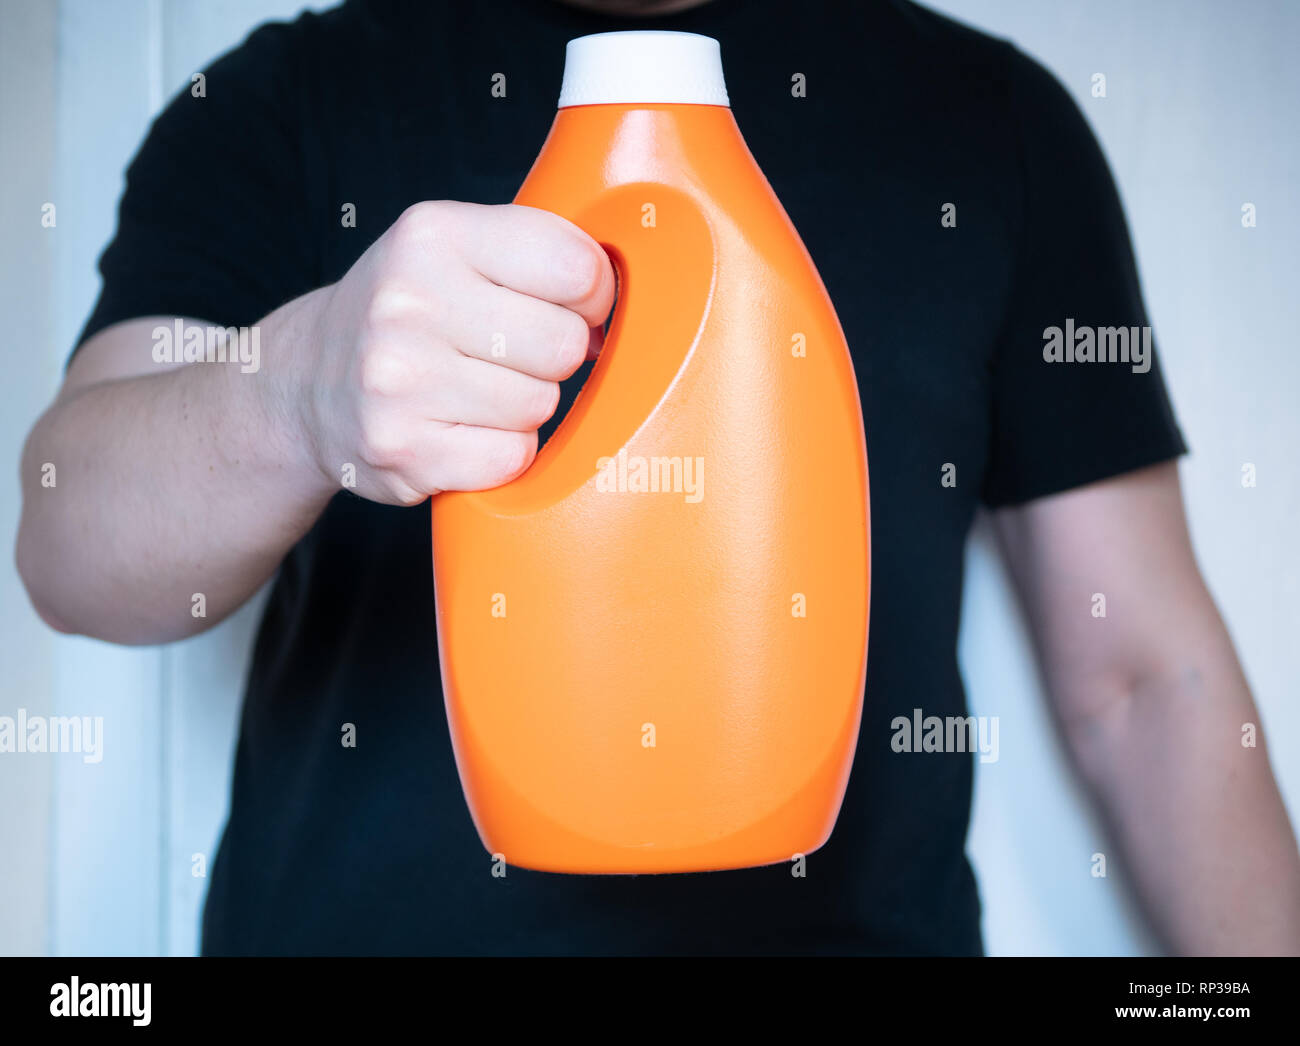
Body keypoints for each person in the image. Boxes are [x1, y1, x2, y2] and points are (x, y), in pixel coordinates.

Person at [16, 0, 1300, 956]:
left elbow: (1146, 679)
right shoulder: (285, 98)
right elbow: (69, 546)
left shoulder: (993, 123)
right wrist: (297, 389)